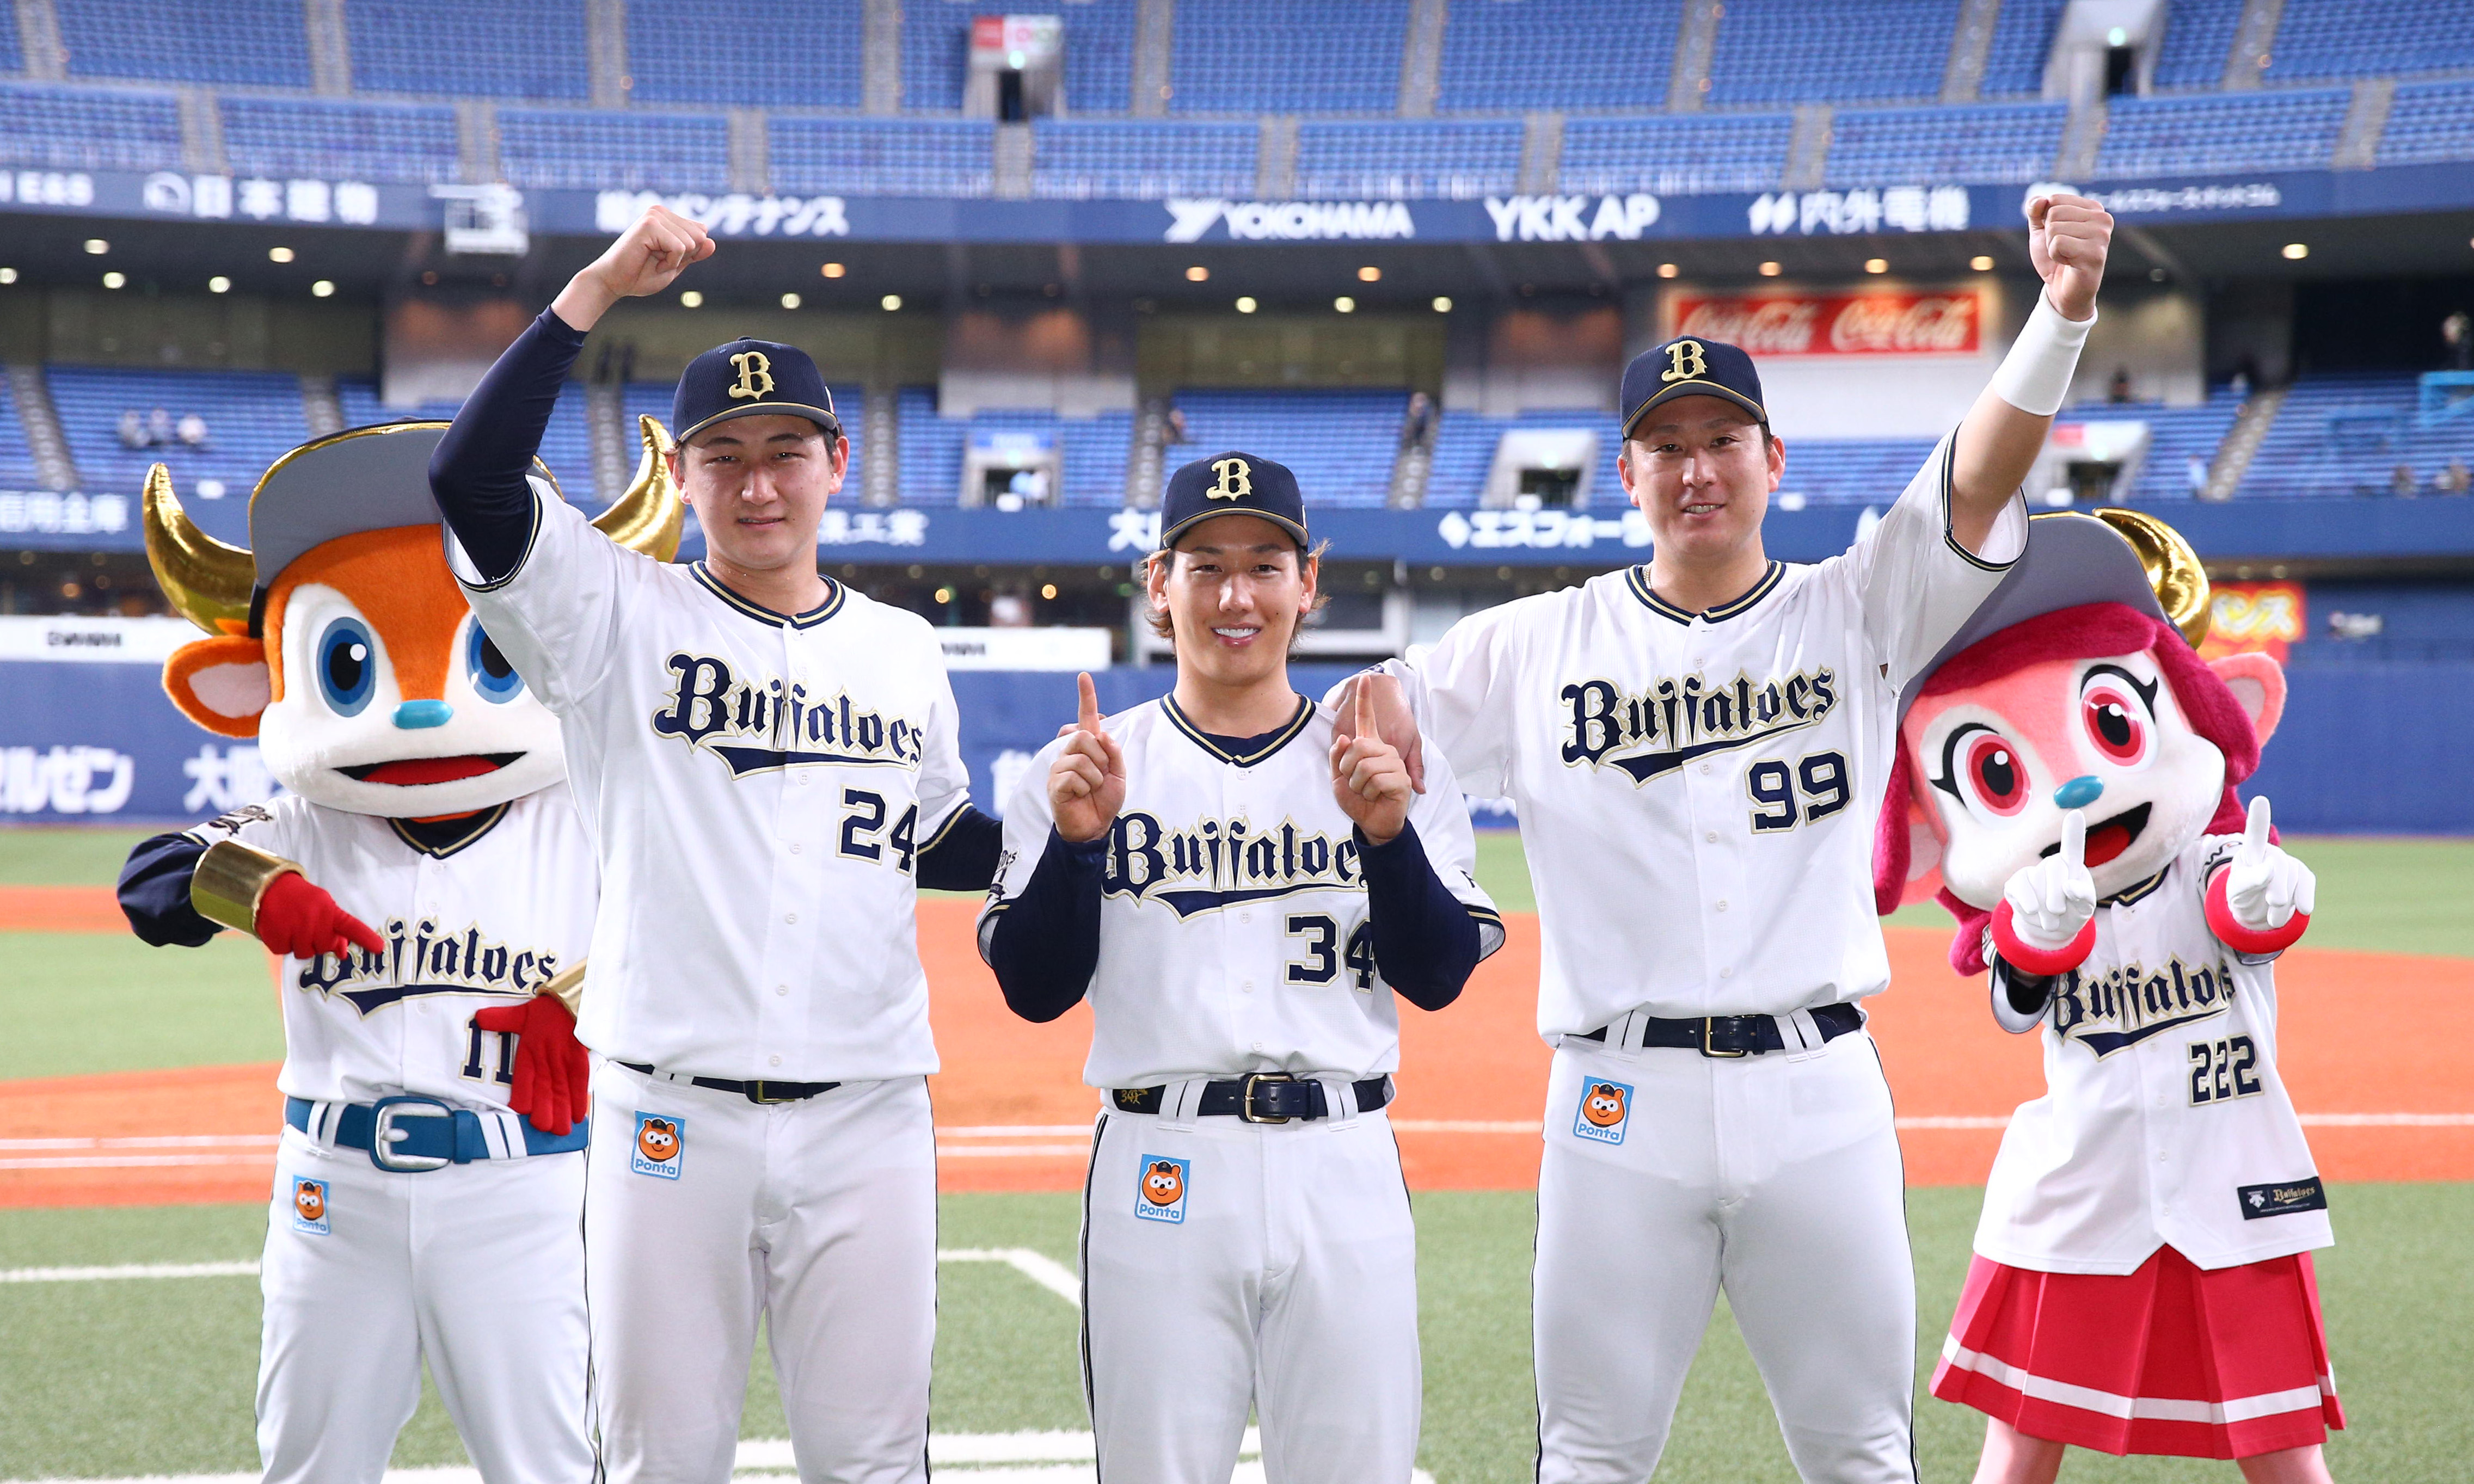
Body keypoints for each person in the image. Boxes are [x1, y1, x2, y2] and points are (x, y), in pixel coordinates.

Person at [1347, 190, 2115, 1482]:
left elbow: (1979, 471)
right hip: (1613, 1099)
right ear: (1626, 471)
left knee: (1864, 1453)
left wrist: (2061, 311)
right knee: (1589, 1455)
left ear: (1774, 458)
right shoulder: (1534, 643)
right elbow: (1364, 716)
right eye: (1665, 443)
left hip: (1815, 1088)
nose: (1694, 466)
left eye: (1721, 438)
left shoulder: (1860, 605)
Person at [429, 204, 1004, 1484]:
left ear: (836, 461)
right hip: (664, 1115)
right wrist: (590, 292)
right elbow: (467, 480)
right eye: (724, 455)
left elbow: (931, 832)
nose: (756, 483)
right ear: (681, 475)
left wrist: (1064, 843)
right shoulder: (608, 615)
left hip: (868, 1116)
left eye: (785, 451)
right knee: (658, 1461)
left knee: (870, 1460)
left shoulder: (904, 648)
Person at [980, 452, 1501, 1484]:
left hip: (1342, 1156)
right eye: (1203, 565)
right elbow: (1034, 992)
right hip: (1159, 1162)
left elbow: (1439, 974)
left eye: (1264, 565)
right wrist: (1082, 846)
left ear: (1308, 582)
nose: (1233, 596)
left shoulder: (1381, 761)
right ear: (1156, 584)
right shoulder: (1085, 762)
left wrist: (1389, 839)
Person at [119, 426, 621, 1484]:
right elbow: (151, 882)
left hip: (518, 1183)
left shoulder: (580, 805)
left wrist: (585, 1003)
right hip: (332, 1191)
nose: (430, 708)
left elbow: (692, 928)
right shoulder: (304, 818)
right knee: (309, 1465)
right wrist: (257, 889)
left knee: (548, 1466)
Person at [1877, 511, 2340, 1482]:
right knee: (2019, 1443)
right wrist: (2031, 935)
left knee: (2282, 1446)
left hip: (2235, 1187)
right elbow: (2014, 993)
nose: (2078, 783)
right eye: (1996, 772)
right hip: (2076, 1193)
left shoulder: (2213, 861)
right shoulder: (2036, 897)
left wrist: (2272, 896)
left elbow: (2251, 909)